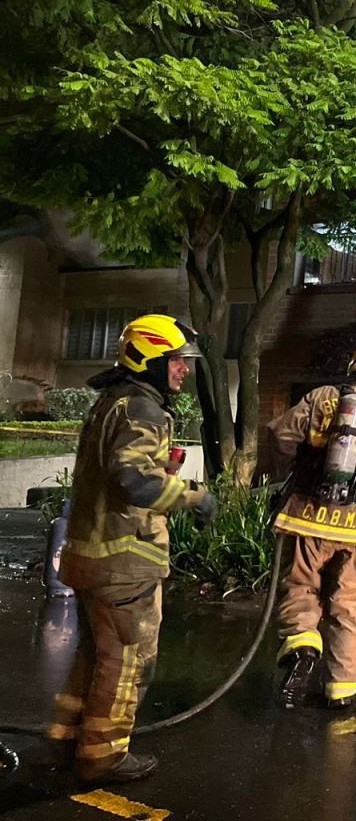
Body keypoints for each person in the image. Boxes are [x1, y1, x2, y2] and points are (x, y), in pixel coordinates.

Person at [45, 314, 217, 785]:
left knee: (94, 657)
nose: (183, 369)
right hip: (124, 564)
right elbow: (135, 480)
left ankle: (65, 739)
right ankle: (102, 757)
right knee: (126, 662)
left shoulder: (113, 402)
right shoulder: (142, 409)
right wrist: (195, 496)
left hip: (90, 554)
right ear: (149, 360)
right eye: (175, 360)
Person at [268, 342, 356, 709]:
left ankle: (303, 646)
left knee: (300, 587)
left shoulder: (322, 396)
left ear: (354, 366)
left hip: (306, 516)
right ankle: (341, 691)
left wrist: (290, 470)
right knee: (349, 603)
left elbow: (280, 435)